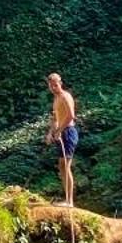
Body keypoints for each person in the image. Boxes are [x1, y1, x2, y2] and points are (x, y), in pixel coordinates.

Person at [44, 72, 79, 208]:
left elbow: (71, 115)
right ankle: (67, 199)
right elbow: (55, 118)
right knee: (61, 167)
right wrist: (50, 133)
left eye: (55, 85)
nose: (53, 88)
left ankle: (69, 201)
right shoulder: (56, 99)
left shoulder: (65, 96)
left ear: (60, 83)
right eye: (51, 86)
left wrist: (59, 130)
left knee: (66, 166)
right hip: (61, 133)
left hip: (69, 132)